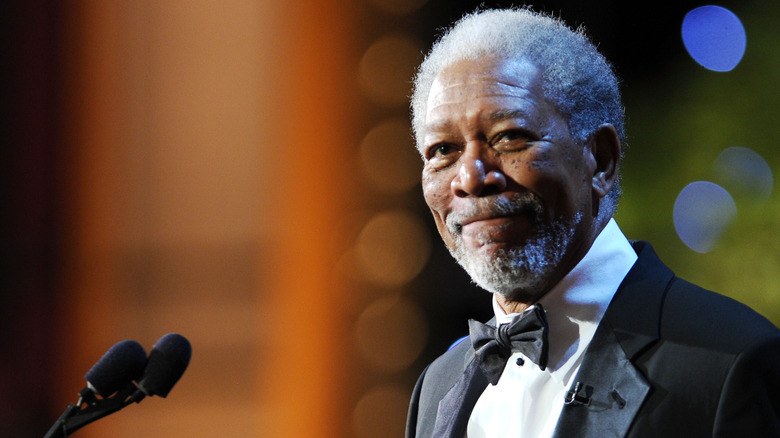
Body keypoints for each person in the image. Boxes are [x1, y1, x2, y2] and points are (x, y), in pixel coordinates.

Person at [405, 7, 780, 438]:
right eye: (442, 150)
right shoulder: (436, 387)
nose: (470, 178)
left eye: (509, 136)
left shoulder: (732, 362)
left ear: (600, 160)